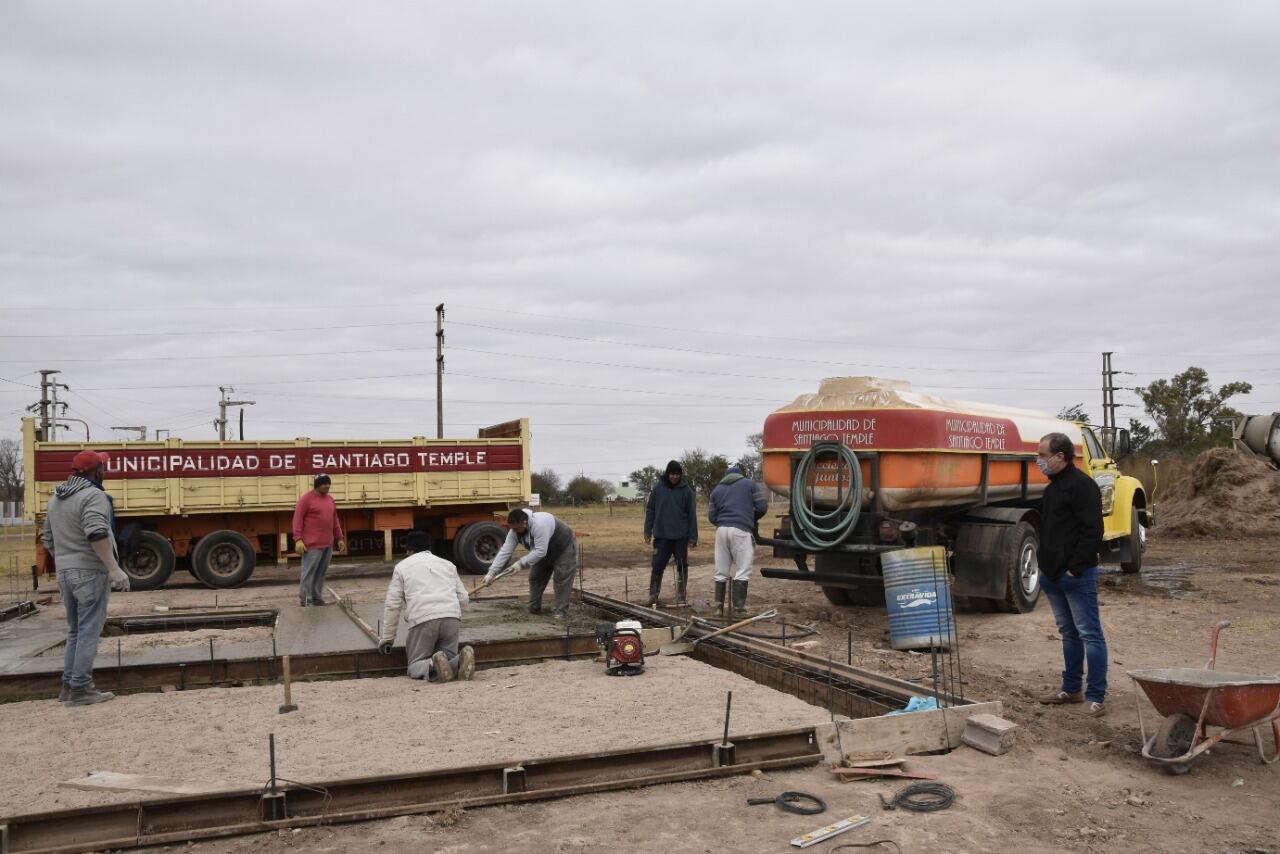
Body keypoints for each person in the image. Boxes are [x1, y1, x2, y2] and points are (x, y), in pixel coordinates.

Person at [40, 449, 132, 706]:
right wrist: (114, 569)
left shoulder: (55, 499)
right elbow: (96, 533)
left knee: (74, 631)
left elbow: (47, 538)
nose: (106, 470)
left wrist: (67, 560)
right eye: (103, 466)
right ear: (97, 471)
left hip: (65, 573)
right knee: (89, 630)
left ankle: (69, 687)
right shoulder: (94, 496)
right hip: (90, 572)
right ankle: (81, 689)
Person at [1035, 432, 1108, 717]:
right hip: (1052, 576)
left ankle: (1096, 696)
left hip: (1076, 576)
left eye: (1042, 455)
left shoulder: (1083, 486)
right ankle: (1071, 688)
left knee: (1090, 634)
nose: (1039, 461)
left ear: (1060, 456)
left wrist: (1074, 569)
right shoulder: (1052, 488)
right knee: (1069, 633)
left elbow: (1093, 532)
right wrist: (1046, 568)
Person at [377, 531, 475, 682]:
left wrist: (388, 638)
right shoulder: (448, 564)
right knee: (448, 658)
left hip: (422, 619)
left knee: (415, 664)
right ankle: (460, 659)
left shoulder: (402, 567)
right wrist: (451, 613)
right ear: (429, 548)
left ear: (409, 550)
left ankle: (431, 664)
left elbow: (393, 605)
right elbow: (463, 599)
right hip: (451, 617)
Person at [483, 508, 579, 618]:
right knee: (535, 578)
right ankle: (534, 608)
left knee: (561, 579)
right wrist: (491, 572)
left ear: (524, 522)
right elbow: (505, 551)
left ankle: (560, 612)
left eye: (516, 528)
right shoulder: (514, 531)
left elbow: (540, 551)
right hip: (541, 551)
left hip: (563, 548)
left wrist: (521, 563)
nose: (514, 531)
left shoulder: (539, 525)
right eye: (512, 528)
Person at [708, 465, 768, 618]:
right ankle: (739, 609)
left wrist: (724, 521)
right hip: (741, 530)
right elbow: (762, 507)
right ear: (740, 475)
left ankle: (718, 608)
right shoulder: (750, 484)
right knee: (743, 569)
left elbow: (711, 517)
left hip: (721, 530)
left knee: (721, 569)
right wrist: (749, 517)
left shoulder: (717, 490)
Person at [643, 460, 698, 607]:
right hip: (661, 537)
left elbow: (692, 515)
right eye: (672, 474)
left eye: (677, 474)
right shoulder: (657, 489)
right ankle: (653, 595)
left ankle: (680, 596)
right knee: (657, 565)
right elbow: (650, 511)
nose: (674, 477)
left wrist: (693, 537)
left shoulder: (686, 491)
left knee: (681, 566)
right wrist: (647, 531)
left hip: (680, 537)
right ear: (667, 474)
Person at [292, 474, 346, 607]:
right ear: (317, 485)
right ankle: (306, 599)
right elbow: (297, 519)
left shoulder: (330, 499)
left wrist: (339, 537)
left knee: (321, 573)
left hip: (327, 544)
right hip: (312, 545)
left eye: (329, 483)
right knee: (309, 572)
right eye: (324, 484)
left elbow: (335, 520)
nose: (327, 486)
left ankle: (317, 598)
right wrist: (298, 539)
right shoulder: (306, 499)